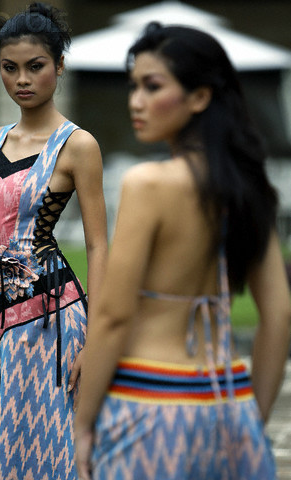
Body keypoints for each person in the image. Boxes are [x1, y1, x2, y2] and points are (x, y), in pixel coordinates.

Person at [74, 22, 291, 480]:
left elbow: (113, 315)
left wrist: (82, 424)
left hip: (148, 406)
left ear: (199, 97)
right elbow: (280, 314)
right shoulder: (248, 187)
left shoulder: (147, 183)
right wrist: (254, 415)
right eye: (133, 86)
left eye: (153, 86)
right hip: (231, 406)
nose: (135, 101)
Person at [0, 2, 107, 479]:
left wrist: (96, 341)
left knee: (41, 446)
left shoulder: (77, 145)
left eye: (35, 67)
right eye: (10, 68)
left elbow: (99, 245)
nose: (21, 80)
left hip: (46, 320)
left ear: (59, 66)